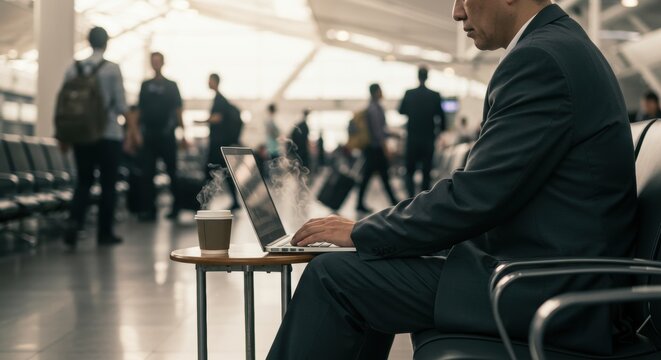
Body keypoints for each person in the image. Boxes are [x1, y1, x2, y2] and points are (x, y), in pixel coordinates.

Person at [266, 1, 638, 359]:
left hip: (544, 287)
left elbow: (475, 196)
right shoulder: (562, 46)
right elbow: (492, 192)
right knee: (364, 265)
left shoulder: (541, 59)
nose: (457, 12)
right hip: (549, 273)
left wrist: (364, 231)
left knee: (334, 277)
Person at [61, 27, 134, 247]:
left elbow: (65, 104)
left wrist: (63, 135)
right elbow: (121, 104)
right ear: (107, 42)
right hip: (108, 134)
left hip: (81, 135)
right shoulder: (111, 69)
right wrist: (132, 130)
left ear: (88, 41)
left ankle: (75, 222)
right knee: (108, 184)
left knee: (83, 181)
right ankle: (104, 233)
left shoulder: (73, 68)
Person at [136, 52, 186, 221]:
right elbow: (139, 110)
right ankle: (150, 209)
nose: (156, 64)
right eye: (153, 61)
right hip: (149, 135)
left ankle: (176, 206)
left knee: (172, 171)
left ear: (163, 63)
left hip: (167, 135)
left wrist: (183, 133)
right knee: (147, 173)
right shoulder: (145, 85)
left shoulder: (172, 86)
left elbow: (178, 110)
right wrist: (135, 132)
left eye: (158, 61)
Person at [399, 66, 446, 198]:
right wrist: (439, 133)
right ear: (427, 77)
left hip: (412, 137)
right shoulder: (435, 95)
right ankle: (423, 199)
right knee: (426, 170)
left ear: (418, 76)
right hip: (428, 138)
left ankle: (410, 198)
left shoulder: (409, 93)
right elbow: (441, 118)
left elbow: (401, 111)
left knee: (410, 170)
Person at [196, 73, 241, 211]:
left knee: (210, 171)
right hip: (221, 144)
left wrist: (201, 121)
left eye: (209, 80)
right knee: (224, 172)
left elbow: (217, 118)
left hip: (218, 144)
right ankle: (232, 201)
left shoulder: (219, 99)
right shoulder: (220, 99)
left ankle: (204, 202)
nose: (208, 83)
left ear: (215, 82)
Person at [355, 83, 399, 213]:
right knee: (382, 176)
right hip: (375, 148)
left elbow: (381, 130)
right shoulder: (374, 109)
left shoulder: (373, 107)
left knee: (369, 176)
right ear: (376, 92)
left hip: (372, 148)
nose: (382, 93)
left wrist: (393, 134)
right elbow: (378, 132)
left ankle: (360, 203)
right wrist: (386, 148)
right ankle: (394, 202)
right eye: (380, 90)